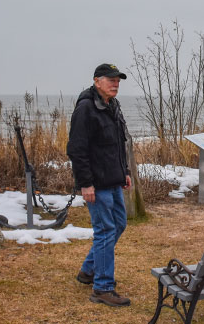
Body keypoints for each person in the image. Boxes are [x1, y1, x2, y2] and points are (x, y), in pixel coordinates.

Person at [67, 63, 132, 307]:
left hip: (114, 179)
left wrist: (124, 171)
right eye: (111, 80)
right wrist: (85, 184)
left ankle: (88, 270)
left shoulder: (111, 105)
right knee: (105, 231)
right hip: (97, 183)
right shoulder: (86, 108)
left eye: (118, 80)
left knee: (119, 225)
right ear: (97, 81)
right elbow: (76, 149)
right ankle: (103, 288)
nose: (115, 84)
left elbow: (118, 143)